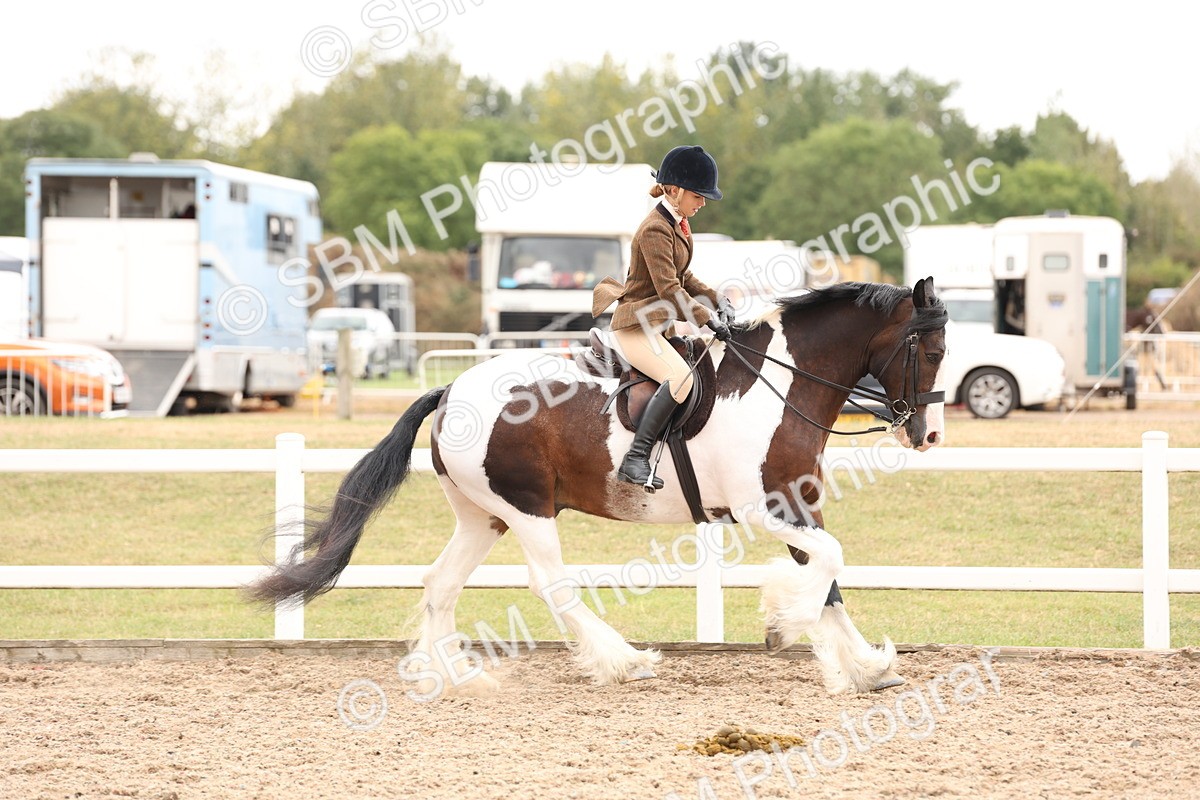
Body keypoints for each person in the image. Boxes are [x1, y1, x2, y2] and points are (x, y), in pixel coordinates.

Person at [591, 145, 735, 490]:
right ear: (676, 190)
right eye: (699, 196)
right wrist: (707, 319)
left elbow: (685, 277)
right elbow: (670, 288)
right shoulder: (655, 228)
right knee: (680, 379)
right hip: (635, 327)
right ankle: (635, 459)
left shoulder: (677, 224)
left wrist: (719, 299)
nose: (702, 203)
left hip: (658, 326)